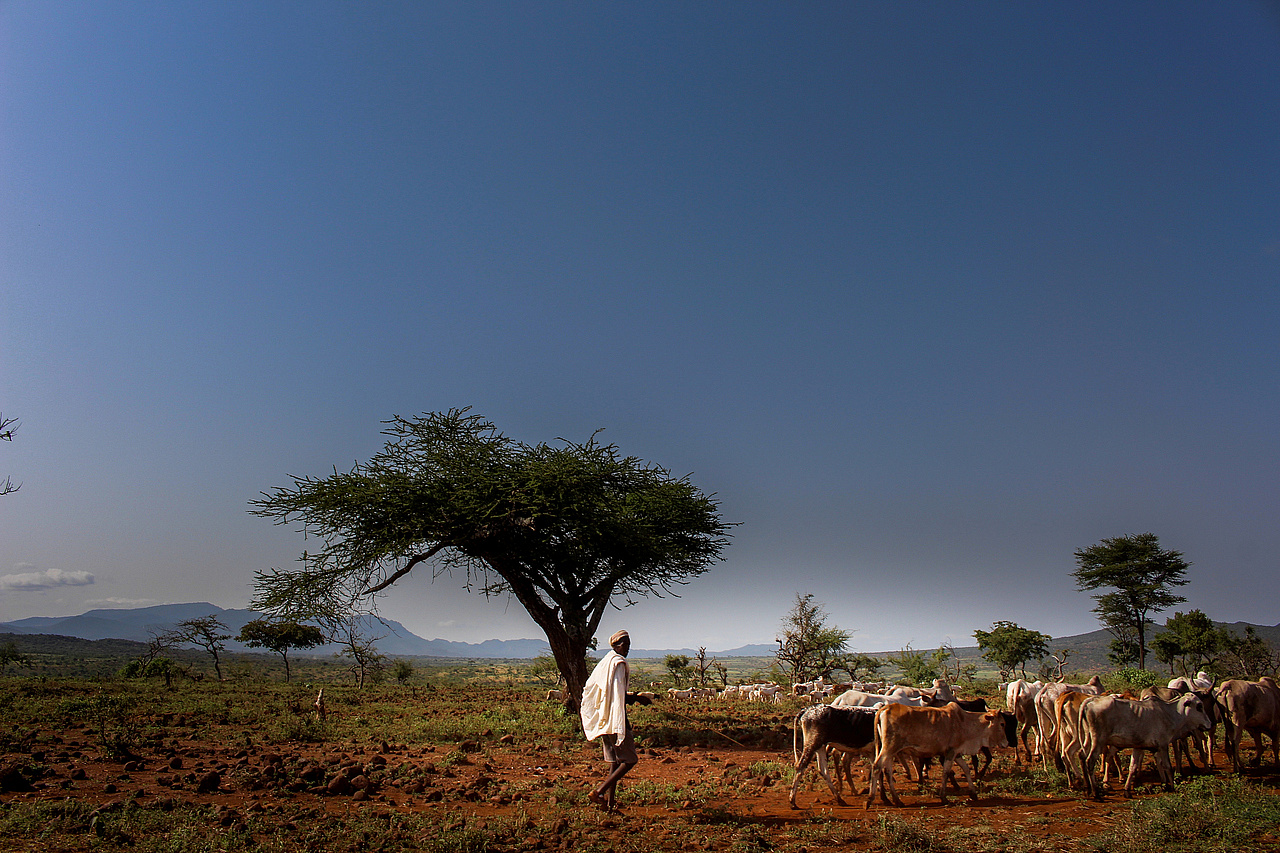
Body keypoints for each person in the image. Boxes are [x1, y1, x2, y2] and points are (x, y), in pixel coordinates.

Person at [580, 629, 640, 811]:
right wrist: (637, 699)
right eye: (624, 644)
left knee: (614, 762)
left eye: (629, 644)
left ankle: (609, 803)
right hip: (614, 719)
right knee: (629, 760)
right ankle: (599, 792)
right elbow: (618, 697)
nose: (627, 648)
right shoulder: (618, 664)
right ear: (615, 645)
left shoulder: (606, 662)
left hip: (604, 719)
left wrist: (634, 698)